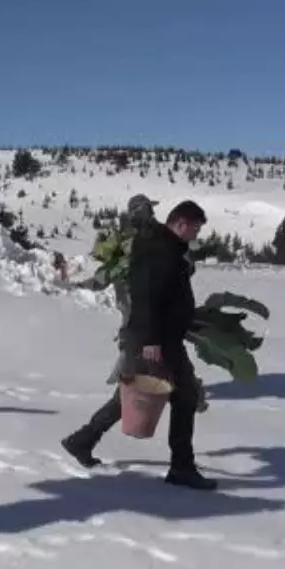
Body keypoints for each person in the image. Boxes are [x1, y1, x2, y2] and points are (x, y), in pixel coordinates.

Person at [63, 199, 217, 491]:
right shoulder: (158, 249)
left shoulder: (167, 247)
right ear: (181, 223)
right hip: (153, 341)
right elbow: (145, 295)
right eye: (194, 229)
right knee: (179, 396)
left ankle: (81, 441)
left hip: (161, 339)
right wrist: (150, 340)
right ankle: (181, 467)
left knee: (133, 397)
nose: (196, 235)